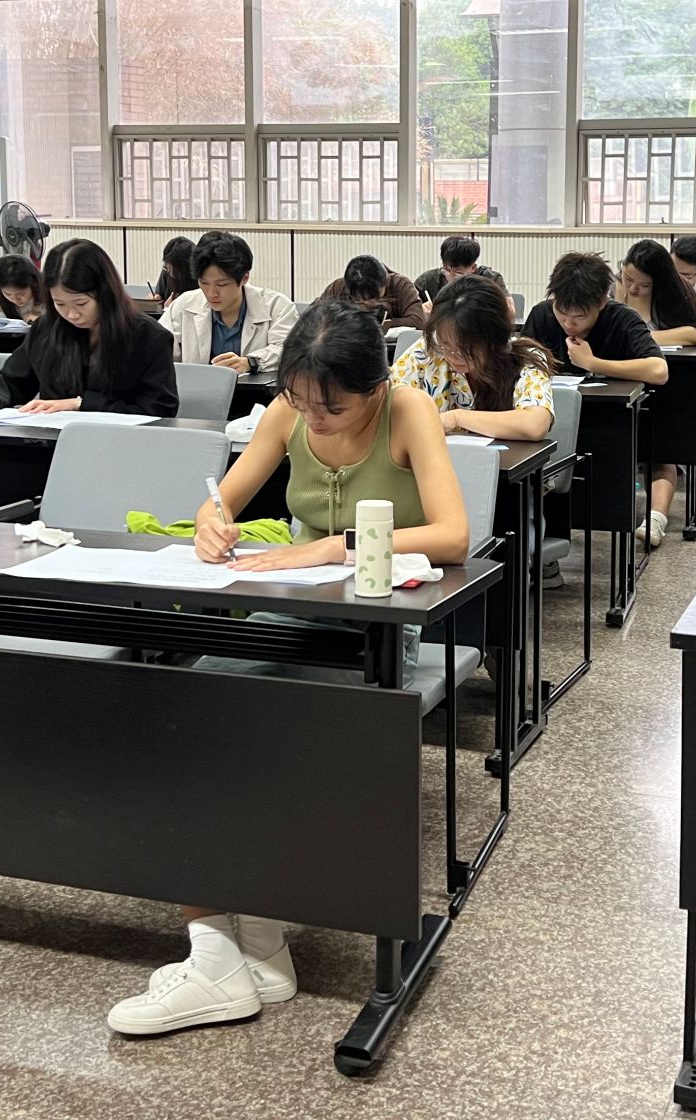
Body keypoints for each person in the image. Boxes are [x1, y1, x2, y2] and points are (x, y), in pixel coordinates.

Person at [108, 301, 468, 1037]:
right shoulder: (287, 412)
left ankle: (226, 959)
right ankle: (247, 949)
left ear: (374, 387)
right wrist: (211, 524)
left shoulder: (409, 412)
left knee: (241, 738)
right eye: (301, 401)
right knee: (186, 719)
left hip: (374, 629)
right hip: (290, 613)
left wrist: (330, 546)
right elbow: (223, 502)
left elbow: (453, 535)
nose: (313, 418)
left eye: (331, 407)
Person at [0, 239, 176, 418]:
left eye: (81, 303)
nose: (71, 315)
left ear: (106, 294)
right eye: (59, 304)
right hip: (51, 443)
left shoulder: (148, 337)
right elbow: (13, 379)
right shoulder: (47, 328)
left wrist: (81, 404)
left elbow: (158, 409)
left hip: (118, 445)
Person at [616, 238, 696, 546]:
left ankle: (656, 520)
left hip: (667, 384)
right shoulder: (615, 288)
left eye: (644, 285)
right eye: (628, 279)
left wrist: (645, 337)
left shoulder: (676, 293)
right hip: (620, 381)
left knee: (661, 452)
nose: (633, 289)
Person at [395, 275, 554, 441]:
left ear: (494, 337)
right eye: (445, 345)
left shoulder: (525, 359)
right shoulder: (429, 349)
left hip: (502, 457)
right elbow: (388, 400)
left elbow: (535, 424)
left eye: (465, 348)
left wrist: (456, 418)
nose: (453, 356)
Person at [521, 252, 669, 389]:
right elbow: (518, 364)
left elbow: (659, 371)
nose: (568, 323)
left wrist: (592, 363)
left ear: (602, 302)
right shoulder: (541, 315)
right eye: (561, 313)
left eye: (580, 316)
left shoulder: (622, 320)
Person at [162, 230, 299, 376]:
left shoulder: (277, 306)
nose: (211, 293)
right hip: (195, 389)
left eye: (222, 284)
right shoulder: (184, 305)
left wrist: (251, 362)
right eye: (204, 283)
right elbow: (157, 347)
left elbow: (291, 351)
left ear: (244, 278)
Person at [321, 254, 427, 331]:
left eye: (373, 296)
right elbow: (315, 318)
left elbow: (418, 321)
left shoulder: (400, 284)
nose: (366, 302)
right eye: (358, 298)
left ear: (386, 282)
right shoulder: (337, 288)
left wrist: (384, 324)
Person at [154, 236, 198, 304]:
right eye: (167, 264)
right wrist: (156, 298)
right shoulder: (166, 270)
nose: (168, 269)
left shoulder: (198, 278)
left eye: (171, 266)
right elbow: (159, 294)